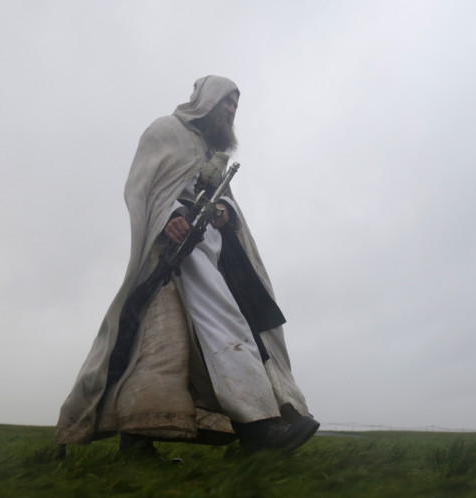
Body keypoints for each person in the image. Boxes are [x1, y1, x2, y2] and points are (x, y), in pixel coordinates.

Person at [55, 75, 318, 456]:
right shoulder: (165, 131)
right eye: (227, 102)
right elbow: (140, 187)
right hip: (170, 254)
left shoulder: (212, 149)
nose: (231, 111)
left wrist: (224, 211)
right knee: (203, 329)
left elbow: (221, 197)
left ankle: (137, 445)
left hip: (209, 253)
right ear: (207, 99)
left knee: (164, 348)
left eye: (236, 106)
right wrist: (169, 216)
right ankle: (257, 430)